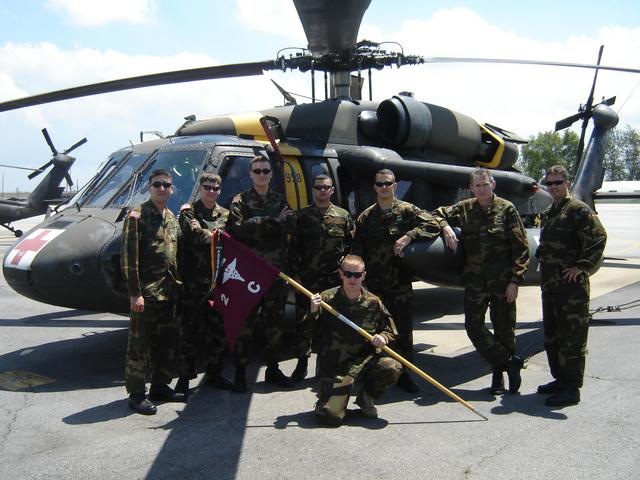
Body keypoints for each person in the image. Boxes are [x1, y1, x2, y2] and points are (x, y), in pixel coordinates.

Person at [433, 168, 529, 395]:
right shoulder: (465, 208)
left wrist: (515, 281)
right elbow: (435, 213)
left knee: (504, 330)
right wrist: (445, 226)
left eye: (485, 185)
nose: (481, 189)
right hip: (475, 282)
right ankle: (509, 361)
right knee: (473, 327)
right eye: (477, 186)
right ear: (471, 188)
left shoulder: (506, 209)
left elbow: (521, 248)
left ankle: (499, 377)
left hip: (502, 282)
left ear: (492, 185)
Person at [352, 169, 441, 393]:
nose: (384, 187)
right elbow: (357, 250)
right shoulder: (366, 217)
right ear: (375, 186)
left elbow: (432, 225)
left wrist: (410, 235)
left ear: (395, 185)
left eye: (388, 183)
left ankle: (405, 373)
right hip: (374, 287)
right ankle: (374, 372)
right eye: (380, 183)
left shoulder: (407, 210)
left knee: (403, 330)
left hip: (398, 283)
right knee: (373, 331)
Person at [536, 165, 607, 407]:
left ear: (567, 183)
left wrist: (582, 266)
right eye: (550, 183)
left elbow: (599, 237)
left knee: (572, 339)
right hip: (551, 286)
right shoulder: (550, 211)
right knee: (552, 337)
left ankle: (572, 388)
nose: (553, 187)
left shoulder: (577, 209)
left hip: (572, 289)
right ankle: (561, 379)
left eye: (557, 182)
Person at [226, 156, 296, 392]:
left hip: (275, 273)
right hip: (250, 273)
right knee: (245, 323)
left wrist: (257, 224)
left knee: (274, 323)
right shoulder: (241, 200)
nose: (262, 174)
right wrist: (273, 221)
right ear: (250, 174)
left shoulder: (279, 199)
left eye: (266, 170)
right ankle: (240, 372)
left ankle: (273, 369)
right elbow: (236, 229)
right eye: (258, 171)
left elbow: (291, 224)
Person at [309, 255, 402, 427]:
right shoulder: (327, 299)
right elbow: (308, 332)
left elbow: (391, 330)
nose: (352, 278)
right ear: (341, 274)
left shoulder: (374, 302)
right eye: (348, 274)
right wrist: (313, 310)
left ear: (364, 275)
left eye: (357, 275)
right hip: (336, 366)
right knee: (331, 418)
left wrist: (383, 338)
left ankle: (366, 399)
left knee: (392, 366)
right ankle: (330, 402)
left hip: (362, 362)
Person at [121, 169, 185, 415]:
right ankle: (137, 394)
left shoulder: (171, 217)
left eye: (166, 185)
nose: (161, 188)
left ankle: (160, 386)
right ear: (149, 188)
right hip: (146, 293)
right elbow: (129, 258)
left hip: (168, 291)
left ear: (171, 189)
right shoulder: (138, 216)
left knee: (166, 341)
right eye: (157, 184)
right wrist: (134, 292)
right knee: (139, 344)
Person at [289, 174, 354, 382]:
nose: (322, 191)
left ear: (332, 190)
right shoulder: (302, 216)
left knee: (333, 325)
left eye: (326, 187)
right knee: (304, 323)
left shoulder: (343, 216)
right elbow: (292, 249)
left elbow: (352, 248)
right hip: (307, 281)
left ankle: (330, 366)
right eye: (318, 187)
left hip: (334, 282)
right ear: (313, 190)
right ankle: (301, 364)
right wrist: (296, 276)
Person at [175, 173, 232, 395]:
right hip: (193, 284)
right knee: (189, 332)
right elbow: (194, 235)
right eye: (207, 187)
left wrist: (209, 234)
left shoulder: (225, 214)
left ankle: (214, 373)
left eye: (215, 188)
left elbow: (231, 237)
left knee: (218, 331)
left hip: (218, 283)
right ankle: (183, 379)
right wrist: (216, 235)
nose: (211, 191)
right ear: (200, 188)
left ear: (219, 190)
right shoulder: (189, 211)